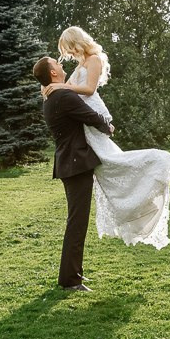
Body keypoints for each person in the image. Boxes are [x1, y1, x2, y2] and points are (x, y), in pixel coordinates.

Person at [42, 26, 170, 251]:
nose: (68, 54)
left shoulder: (94, 59)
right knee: (108, 162)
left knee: (112, 160)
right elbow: (68, 93)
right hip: (85, 120)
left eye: (69, 48)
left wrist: (60, 85)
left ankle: (154, 166)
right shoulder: (80, 65)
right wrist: (52, 87)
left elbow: (89, 89)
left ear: (77, 42)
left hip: (94, 114)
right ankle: (127, 199)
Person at [33, 55, 113, 293]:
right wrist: (108, 126)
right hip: (75, 164)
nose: (61, 65)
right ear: (53, 73)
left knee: (76, 221)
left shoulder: (52, 96)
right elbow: (89, 115)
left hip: (69, 163)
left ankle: (71, 275)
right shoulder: (63, 96)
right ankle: (70, 280)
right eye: (56, 64)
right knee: (77, 222)